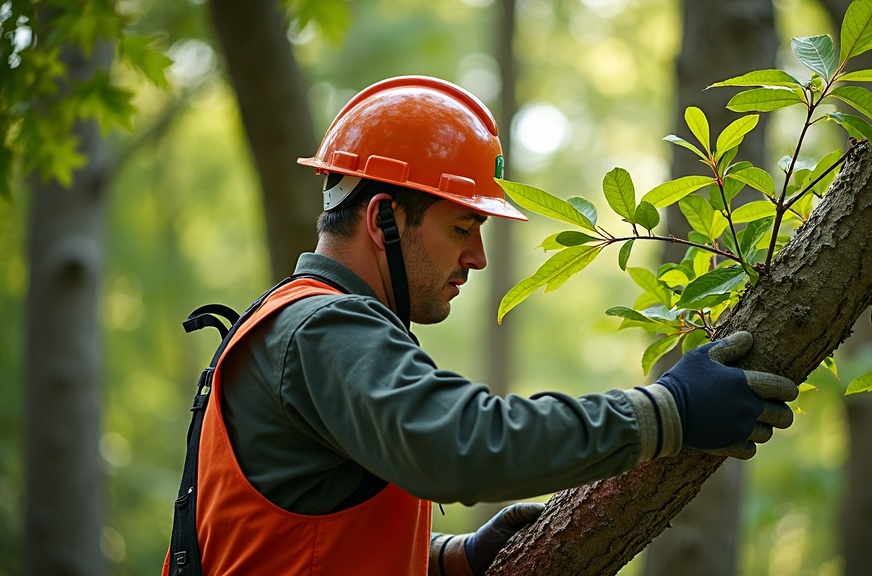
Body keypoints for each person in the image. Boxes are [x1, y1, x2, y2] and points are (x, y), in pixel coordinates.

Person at [165, 76, 799, 576]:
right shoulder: (324, 329)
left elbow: (301, 542)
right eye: (462, 228)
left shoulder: (286, 323)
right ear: (383, 218)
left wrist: (453, 557)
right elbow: (462, 445)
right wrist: (668, 411)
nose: (478, 257)